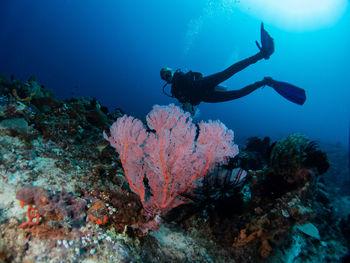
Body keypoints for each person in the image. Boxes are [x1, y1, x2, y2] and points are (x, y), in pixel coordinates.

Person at [160, 23, 306, 115]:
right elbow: (190, 106)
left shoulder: (181, 74)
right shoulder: (173, 92)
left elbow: (199, 75)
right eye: (165, 76)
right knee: (238, 94)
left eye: (167, 72)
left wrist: (200, 82)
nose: (168, 76)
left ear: (171, 71)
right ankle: (264, 82)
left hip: (203, 84)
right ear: (165, 80)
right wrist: (189, 108)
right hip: (206, 97)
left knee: (230, 70)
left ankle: (262, 54)